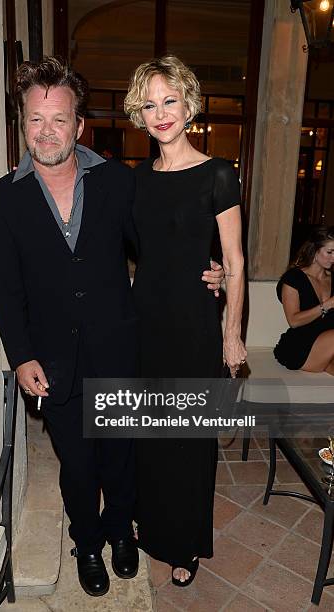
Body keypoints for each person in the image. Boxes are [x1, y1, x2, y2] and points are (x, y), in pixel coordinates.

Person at [0, 56, 224, 597]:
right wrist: (21, 356)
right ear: (22, 123)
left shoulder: (117, 182)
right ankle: (87, 541)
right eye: (36, 119)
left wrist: (208, 270)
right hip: (52, 361)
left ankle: (120, 531)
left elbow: (159, 245)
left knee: (120, 455)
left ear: (79, 124)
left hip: (120, 348)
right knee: (77, 464)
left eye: (60, 119)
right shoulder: (7, 197)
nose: (48, 131)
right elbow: (4, 285)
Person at [124, 55, 246, 586]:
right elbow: (133, 253)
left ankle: (184, 544)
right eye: (149, 104)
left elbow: (236, 264)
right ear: (139, 114)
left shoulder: (219, 174)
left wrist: (232, 333)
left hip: (195, 325)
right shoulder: (137, 180)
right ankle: (150, 525)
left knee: (188, 439)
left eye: (169, 100)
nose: (160, 113)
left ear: (189, 104)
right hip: (145, 322)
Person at [274, 226, 334, 375]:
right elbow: (293, 321)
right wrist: (327, 304)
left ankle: (326, 361)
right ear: (315, 249)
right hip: (301, 346)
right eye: (330, 252)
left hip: (327, 343)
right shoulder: (293, 278)